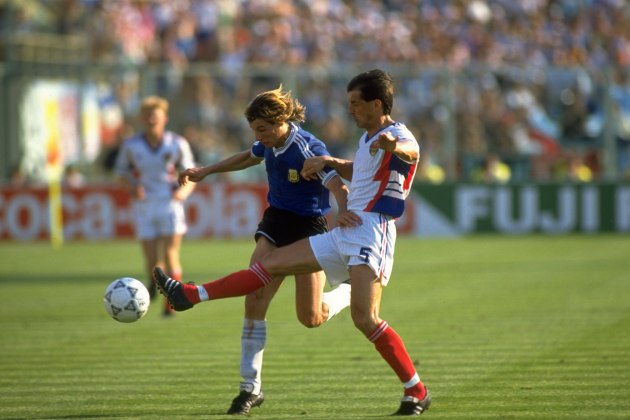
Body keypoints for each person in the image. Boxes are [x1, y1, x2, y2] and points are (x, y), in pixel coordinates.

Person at [155, 69, 430, 416]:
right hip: (333, 229)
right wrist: (333, 163)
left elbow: (410, 152)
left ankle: (416, 390)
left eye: (355, 103)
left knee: (360, 318)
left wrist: (391, 149)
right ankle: (190, 296)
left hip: (369, 230)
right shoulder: (366, 139)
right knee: (265, 271)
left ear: (376, 104)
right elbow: (358, 171)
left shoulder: (396, 135)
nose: (349, 109)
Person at [178, 85, 352, 415]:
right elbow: (249, 156)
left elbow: (336, 185)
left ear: (280, 121)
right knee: (254, 297)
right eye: (254, 130)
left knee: (310, 317)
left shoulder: (307, 147)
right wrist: (206, 171)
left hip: (309, 228)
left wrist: (343, 212)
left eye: (262, 129)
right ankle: (250, 388)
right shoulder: (269, 142)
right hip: (276, 222)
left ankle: (346, 290)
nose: (259, 137)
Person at [114, 96, 196, 316]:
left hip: (169, 204)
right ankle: (153, 283)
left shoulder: (177, 143)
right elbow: (121, 174)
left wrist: (182, 193)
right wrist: (132, 189)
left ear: (164, 118)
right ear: (142, 119)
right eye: (148, 116)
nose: (152, 120)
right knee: (152, 261)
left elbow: (191, 174)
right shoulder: (131, 145)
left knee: (170, 254)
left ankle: (171, 303)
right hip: (144, 205)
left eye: (156, 116)